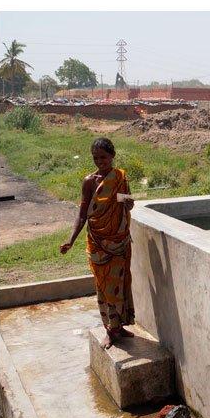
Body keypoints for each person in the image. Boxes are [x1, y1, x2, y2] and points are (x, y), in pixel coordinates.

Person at [59, 137, 135, 349]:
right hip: (98, 242)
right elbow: (82, 214)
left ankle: (119, 327)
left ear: (112, 156)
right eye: (96, 158)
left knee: (119, 285)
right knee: (104, 286)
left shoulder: (120, 176)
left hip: (120, 241)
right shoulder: (89, 181)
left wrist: (129, 204)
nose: (100, 161)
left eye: (103, 157)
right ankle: (109, 330)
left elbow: (124, 204)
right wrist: (70, 240)